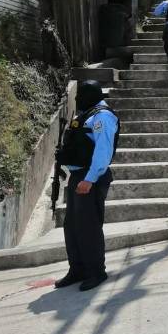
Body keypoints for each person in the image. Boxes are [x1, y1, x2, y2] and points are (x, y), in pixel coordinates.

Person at [55, 80, 120, 291]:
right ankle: (78, 269)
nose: (78, 100)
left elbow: (103, 152)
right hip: (78, 176)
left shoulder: (103, 116)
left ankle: (96, 272)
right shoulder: (87, 115)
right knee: (72, 227)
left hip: (90, 178)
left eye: (80, 96)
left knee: (88, 227)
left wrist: (89, 180)